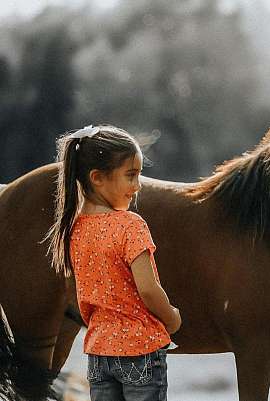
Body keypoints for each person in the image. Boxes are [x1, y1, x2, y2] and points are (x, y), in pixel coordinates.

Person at [45, 125, 182, 401]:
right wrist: (171, 317)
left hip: (98, 352)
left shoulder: (75, 229)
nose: (138, 185)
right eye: (131, 175)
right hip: (139, 350)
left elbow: (85, 295)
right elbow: (148, 289)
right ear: (97, 178)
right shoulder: (130, 225)